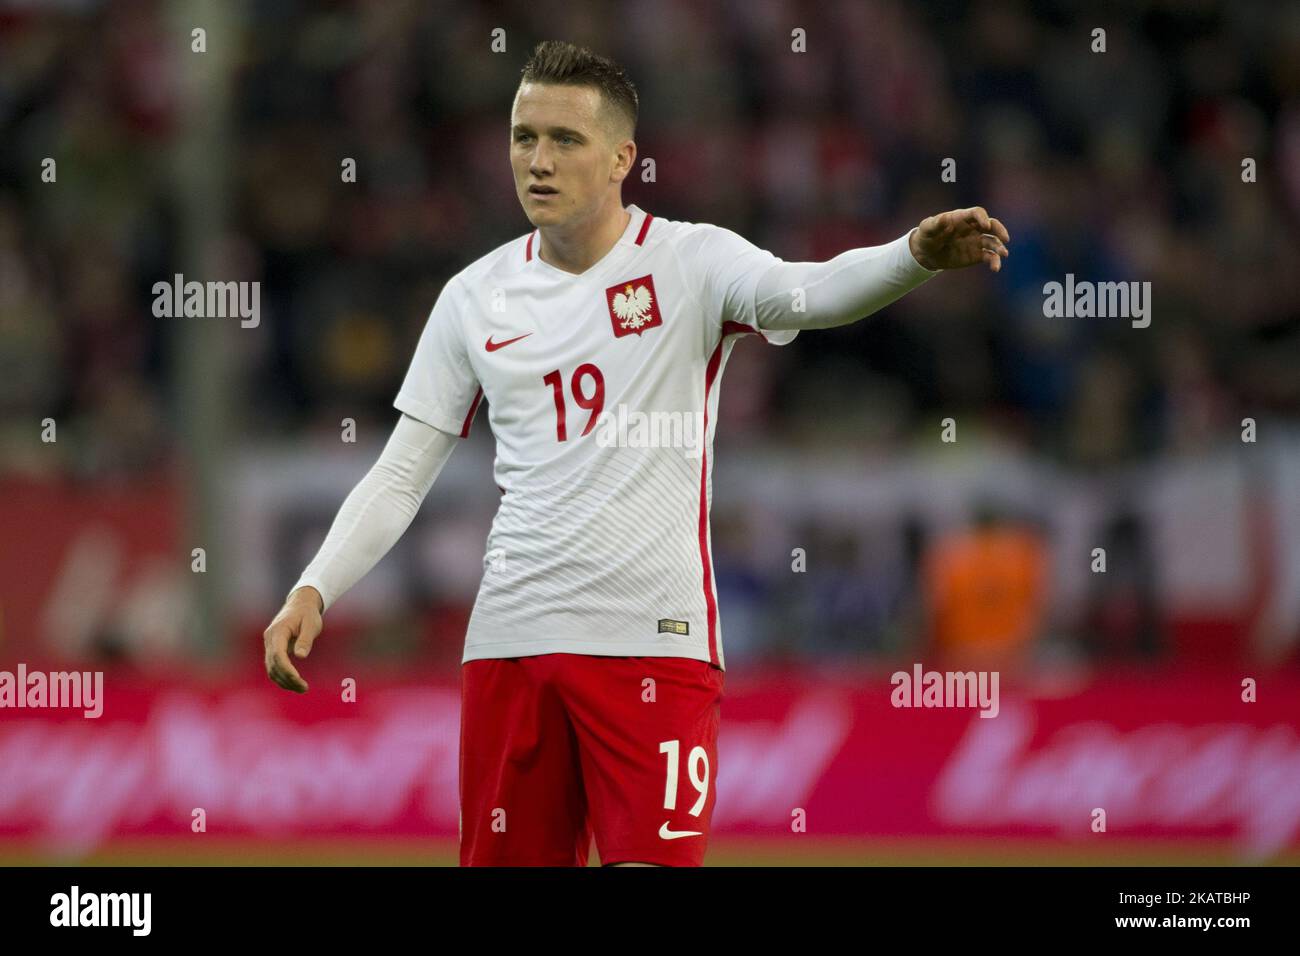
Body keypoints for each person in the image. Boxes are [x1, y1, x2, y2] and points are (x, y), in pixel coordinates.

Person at [262, 39, 1010, 866]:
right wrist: (315, 586)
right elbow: (404, 470)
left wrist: (913, 256)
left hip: (655, 642)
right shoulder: (473, 296)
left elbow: (812, 291)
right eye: (523, 137)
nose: (537, 161)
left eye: (565, 140)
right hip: (513, 644)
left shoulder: (692, 263)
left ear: (623, 158)